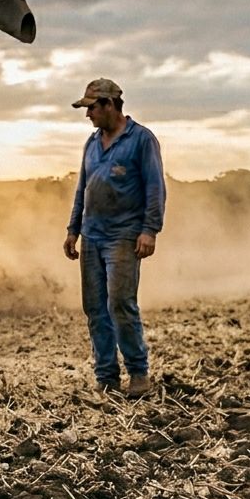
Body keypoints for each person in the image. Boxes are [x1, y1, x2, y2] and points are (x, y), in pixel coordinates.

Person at [62, 78, 165, 398]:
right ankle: (106, 376)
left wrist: (150, 230)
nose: (87, 114)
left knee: (120, 303)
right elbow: (83, 188)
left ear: (109, 104)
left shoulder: (141, 140)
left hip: (123, 235)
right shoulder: (91, 144)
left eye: (91, 107)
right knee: (94, 307)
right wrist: (72, 229)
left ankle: (138, 374)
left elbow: (155, 188)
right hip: (92, 235)